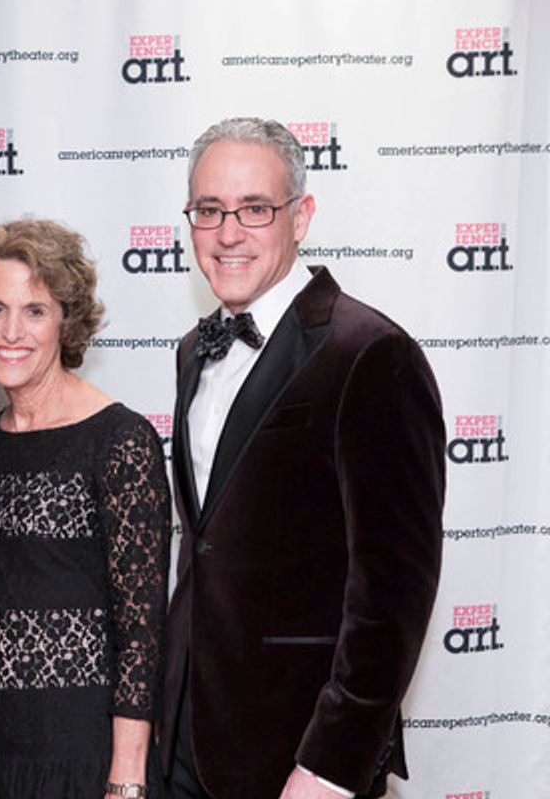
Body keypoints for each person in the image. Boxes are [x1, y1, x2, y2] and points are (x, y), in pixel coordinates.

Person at [161, 118, 445, 799]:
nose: (229, 233)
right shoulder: (191, 350)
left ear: (301, 216)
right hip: (185, 739)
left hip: (297, 754)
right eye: (208, 210)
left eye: (255, 209)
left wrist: (330, 766)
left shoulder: (370, 354)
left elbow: (394, 592)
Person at [0, 219, 171, 799]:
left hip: (79, 760)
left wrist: (127, 777)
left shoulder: (119, 442)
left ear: (65, 322)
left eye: (35, 311)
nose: (11, 331)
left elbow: (140, 633)